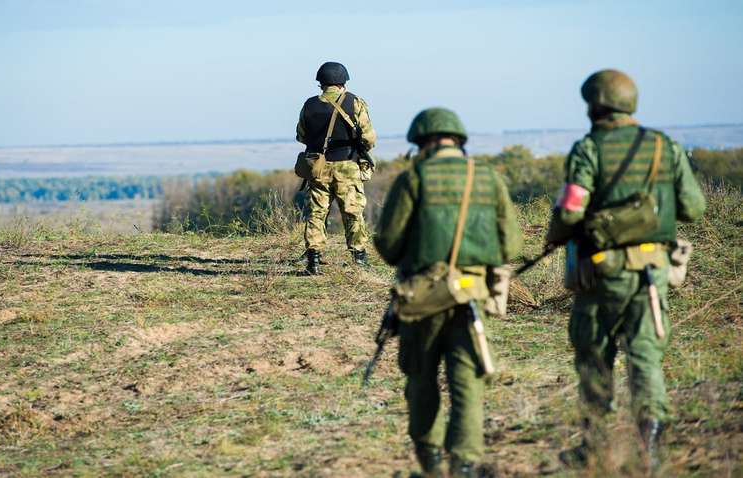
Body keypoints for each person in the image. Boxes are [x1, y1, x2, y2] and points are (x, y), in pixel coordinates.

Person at [547, 69, 706, 471]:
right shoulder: (663, 147)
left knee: (595, 356)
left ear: (595, 105)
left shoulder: (588, 149)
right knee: (646, 358)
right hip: (653, 274)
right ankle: (650, 448)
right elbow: (694, 208)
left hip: (601, 272)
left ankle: (595, 446)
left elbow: (570, 209)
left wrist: (556, 235)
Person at [375, 108, 523, 477]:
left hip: (422, 298)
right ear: (459, 140)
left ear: (420, 143)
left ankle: (432, 464)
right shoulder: (487, 178)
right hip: (471, 299)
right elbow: (512, 245)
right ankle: (466, 464)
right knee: (467, 384)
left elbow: (389, 245)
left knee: (421, 381)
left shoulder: (413, 178)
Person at [296, 61, 376, 275]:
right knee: (352, 212)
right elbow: (369, 138)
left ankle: (313, 259)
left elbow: (301, 136)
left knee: (316, 212)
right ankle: (358, 257)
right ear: (343, 82)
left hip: (318, 167)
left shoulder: (309, 104)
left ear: (320, 83)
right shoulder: (355, 102)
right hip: (348, 166)